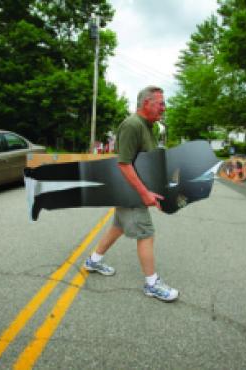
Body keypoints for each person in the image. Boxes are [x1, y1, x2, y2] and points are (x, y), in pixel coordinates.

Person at [84, 86, 179, 302]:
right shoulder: (132, 125)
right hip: (131, 192)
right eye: (160, 103)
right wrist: (144, 193)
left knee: (118, 227)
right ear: (147, 103)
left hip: (133, 190)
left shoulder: (149, 127)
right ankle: (152, 284)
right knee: (146, 234)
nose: (164, 108)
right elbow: (124, 164)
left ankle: (93, 261)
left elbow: (146, 160)